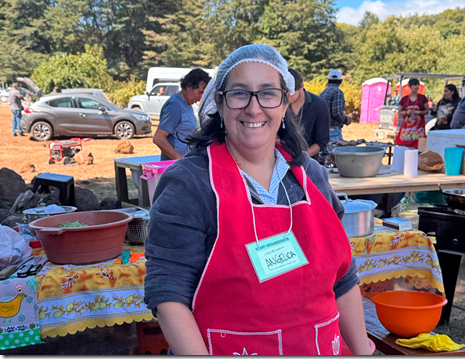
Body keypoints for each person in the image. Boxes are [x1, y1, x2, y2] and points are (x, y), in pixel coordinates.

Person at [144, 44, 372, 355]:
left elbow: (343, 277)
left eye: (267, 93)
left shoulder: (312, 177)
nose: (254, 108)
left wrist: (363, 352)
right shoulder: (191, 183)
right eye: (240, 93)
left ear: (283, 104)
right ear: (220, 104)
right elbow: (169, 294)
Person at [153, 69, 211, 160]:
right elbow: (159, 138)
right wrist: (180, 160)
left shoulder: (187, 104)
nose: (201, 97)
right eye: (200, 92)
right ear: (189, 86)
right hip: (175, 167)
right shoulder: (174, 106)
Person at [288, 67, 330, 159]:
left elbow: (322, 141)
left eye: (291, 94)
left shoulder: (319, 105)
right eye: (283, 93)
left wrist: (303, 157)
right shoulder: (280, 104)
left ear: (301, 87)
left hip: (309, 161)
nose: (287, 97)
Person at [319, 69, 351, 143]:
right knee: (334, 153)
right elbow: (337, 112)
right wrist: (346, 120)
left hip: (323, 130)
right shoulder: (338, 92)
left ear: (328, 80)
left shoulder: (322, 93)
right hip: (334, 132)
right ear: (340, 81)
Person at [396, 78, 429, 148]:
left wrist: (419, 112)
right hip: (406, 130)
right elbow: (399, 112)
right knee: (404, 147)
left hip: (419, 129)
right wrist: (407, 112)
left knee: (419, 148)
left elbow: (427, 111)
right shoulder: (404, 99)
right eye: (414, 85)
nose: (416, 87)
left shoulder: (422, 98)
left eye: (417, 85)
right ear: (410, 86)